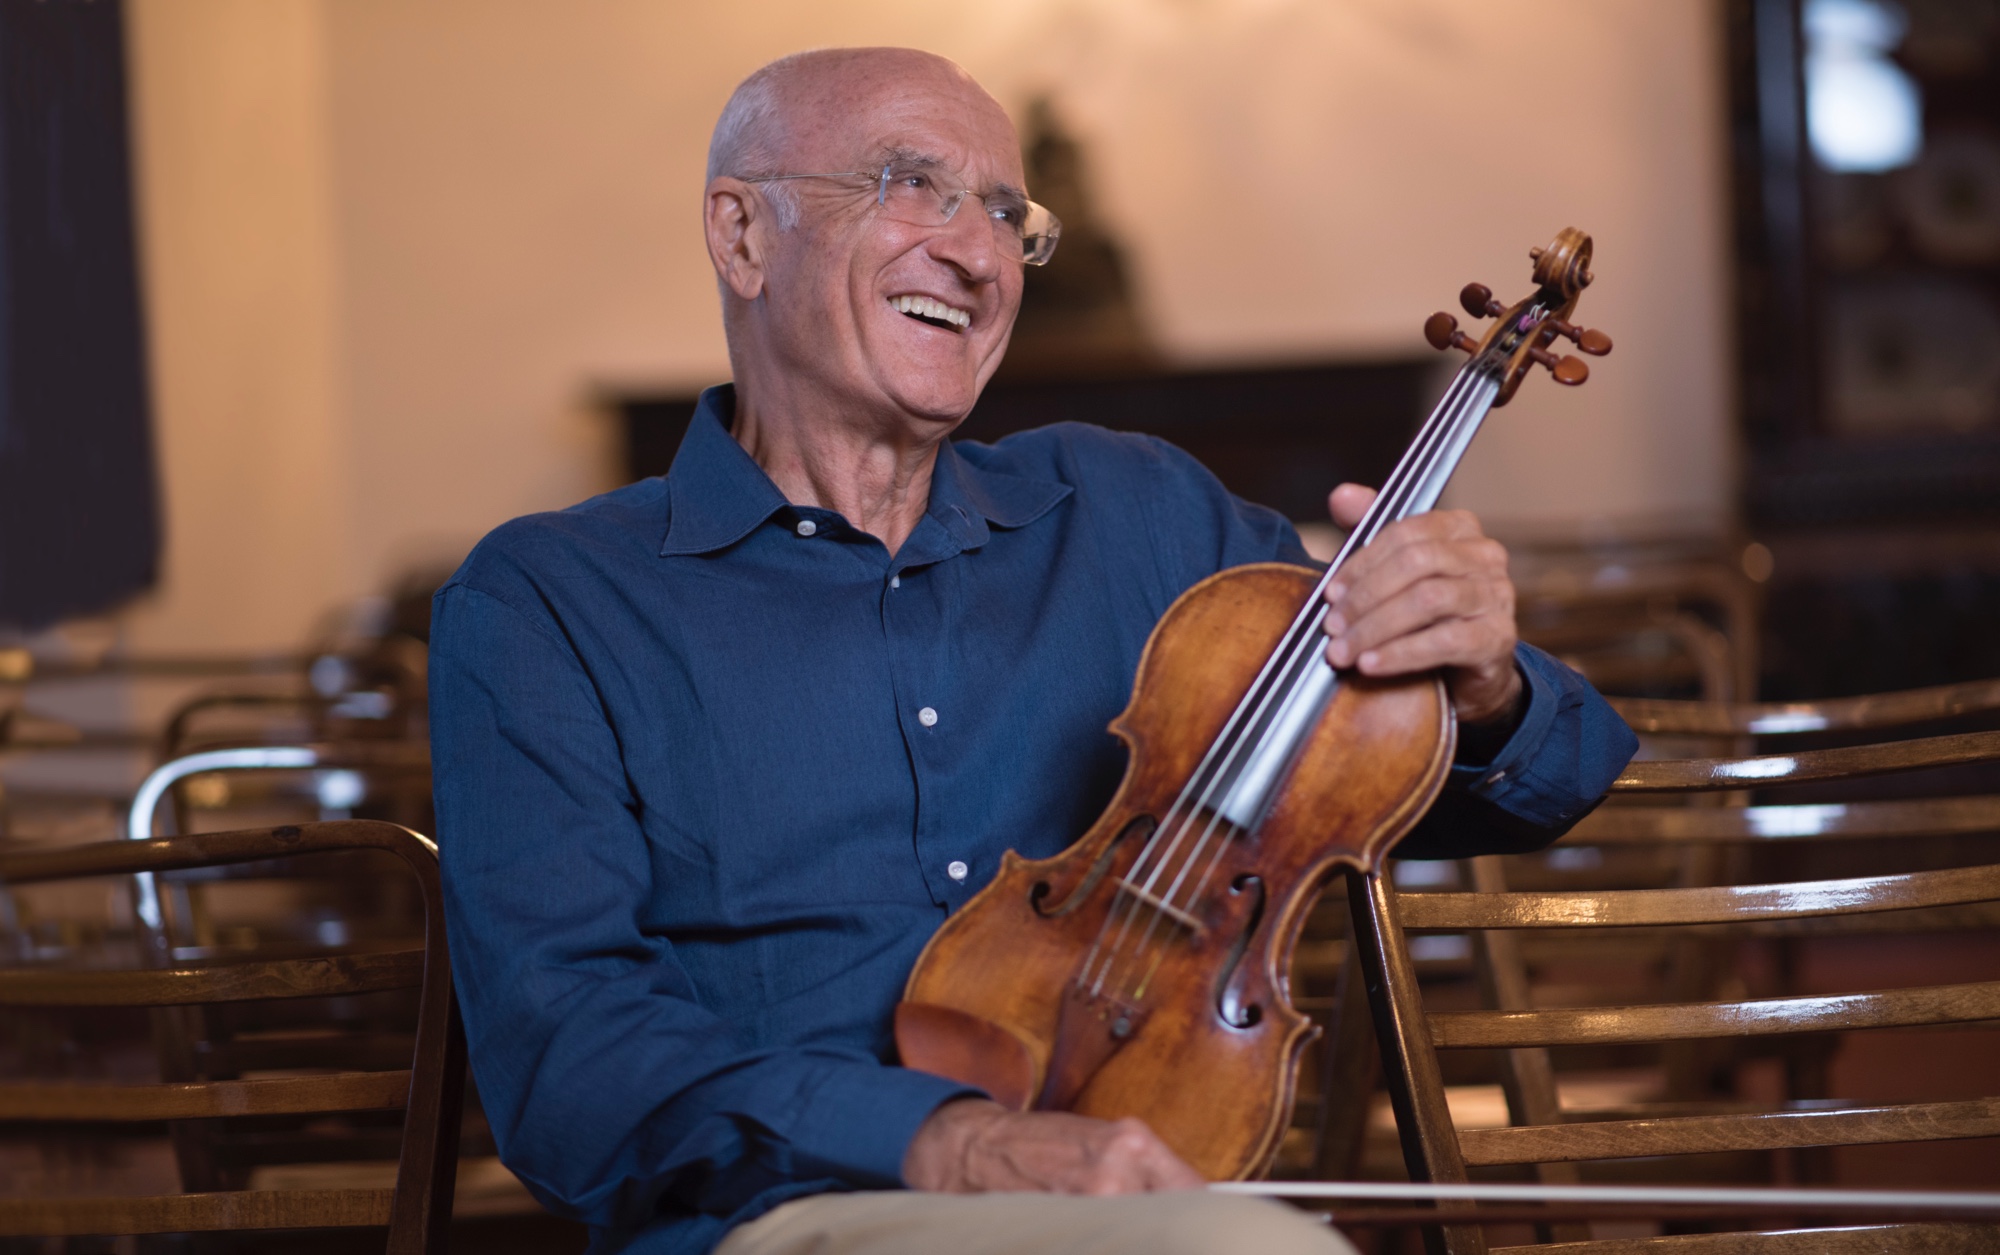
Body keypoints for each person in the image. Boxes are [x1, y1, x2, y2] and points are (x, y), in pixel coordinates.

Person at [429, 46, 1638, 1255]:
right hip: (782, 1217)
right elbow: (563, 1052)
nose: (977, 254)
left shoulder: (1140, 511)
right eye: (911, 184)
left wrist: (1481, 680)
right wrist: (945, 1139)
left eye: (1007, 214)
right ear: (742, 234)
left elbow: (1538, 777)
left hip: (1144, 1199)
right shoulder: (547, 600)